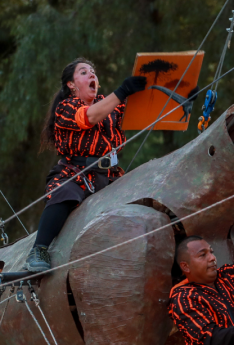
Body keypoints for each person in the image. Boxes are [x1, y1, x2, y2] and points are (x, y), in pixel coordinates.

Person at [23, 59, 146, 271]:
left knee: (143, 193)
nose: (92, 75)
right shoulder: (66, 107)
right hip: (76, 172)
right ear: (72, 84)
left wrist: (179, 96)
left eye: (93, 72)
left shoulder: (109, 102)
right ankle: (39, 249)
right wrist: (123, 90)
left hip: (111, 175)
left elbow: (145, 109)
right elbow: (90, 117)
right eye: (84, 72)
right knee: (63, 192)